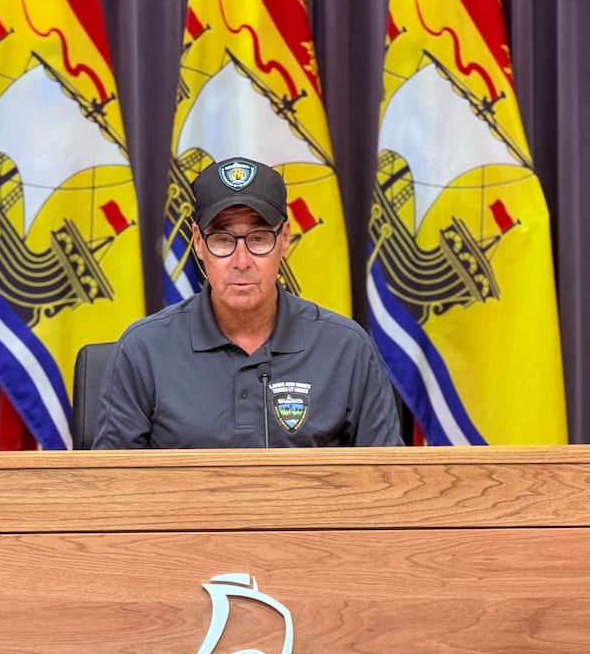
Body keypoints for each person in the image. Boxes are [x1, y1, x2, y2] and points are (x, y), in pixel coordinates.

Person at [92, 156, 403, 449]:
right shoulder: (143, 349)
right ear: (198, 242)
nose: (241, 261)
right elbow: (108, 481)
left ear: (284, 238)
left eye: (259, 238)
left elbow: (389, 477)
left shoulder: (347, 348)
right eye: (222, 240)